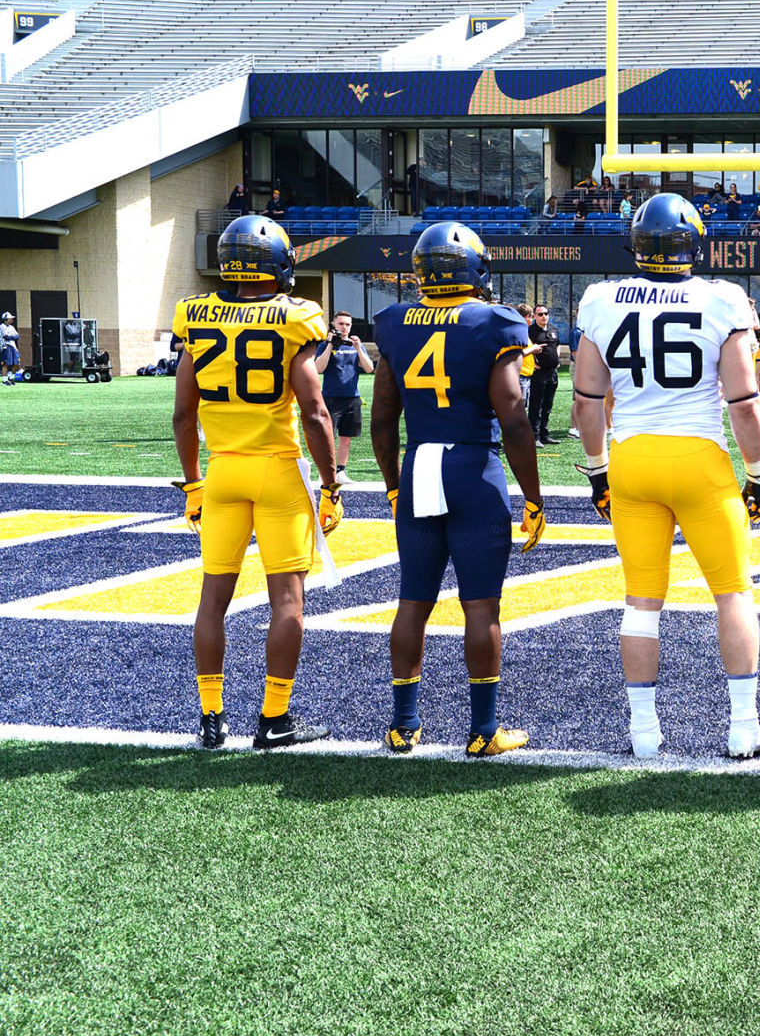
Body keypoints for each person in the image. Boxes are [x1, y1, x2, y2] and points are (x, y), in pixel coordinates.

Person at [573, 194, 760, 759]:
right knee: (733, 593)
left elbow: (587, 402)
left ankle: (643, 732)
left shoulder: (600, 298)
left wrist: (598, 472)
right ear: (694, 240)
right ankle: (742, 726)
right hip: (698, 459)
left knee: (640, 600)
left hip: (633, 458)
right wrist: (758, 473)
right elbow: (743, 401)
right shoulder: (723, 298)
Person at [369, 222, 545, 757]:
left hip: (419, 462)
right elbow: (514, 417)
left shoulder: (395, 322)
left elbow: (381, 419)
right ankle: (483, 731)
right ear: (476, 267)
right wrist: (533, 495)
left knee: (413, 601)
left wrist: (392, 484)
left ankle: (403, 725)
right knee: (481, 607)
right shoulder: (495, 321)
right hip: (472, 466)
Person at [171, 215, 341, 750]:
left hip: (221, 471)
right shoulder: (297, 317)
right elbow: (314, 411)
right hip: (277, 470)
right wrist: (333, 483)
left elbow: (182, 415)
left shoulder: (196, 316)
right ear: (278, 263)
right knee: (287, 602)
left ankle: (211, 719)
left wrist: (193, 484)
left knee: (212, 599)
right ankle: (273, 719)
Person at [313, 311, 376, 485]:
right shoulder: (326, 345)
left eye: (347, 324)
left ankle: (341, 472)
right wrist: (329, 345)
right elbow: (318, 368)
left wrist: (358, 347)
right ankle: (325, 472)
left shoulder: (354, 345)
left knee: (346, 438)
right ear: (334, 324)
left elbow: (369, 368)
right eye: (341, 324)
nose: (344, 327)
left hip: (352, 398)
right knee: (328, 438)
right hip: (331, 398)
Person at [526, 302, 562, 444]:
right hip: (539, 374)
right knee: (536, 406)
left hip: (553, 373)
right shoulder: (530, 331)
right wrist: (533, 363)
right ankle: (534, 437)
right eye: (540, 314)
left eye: (546, 314)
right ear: (535, 316)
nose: (544, 317)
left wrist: (557, 360)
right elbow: (523, 348)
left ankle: (544, 435)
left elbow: (557, 345)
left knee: (548, 405)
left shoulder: (553, 329)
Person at [0, 311, 18, 383]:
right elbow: (6, 336)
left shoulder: (12, 327)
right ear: (5, 319)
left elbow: (17, 336)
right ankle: (5, 380)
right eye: (10, 319)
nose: (12, 320)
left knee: (16, 363)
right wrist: (12, 336)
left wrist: (11, 337)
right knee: (6, 363)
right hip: (6, 346)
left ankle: (10, 377)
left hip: (13, 346)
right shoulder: (2, 326)